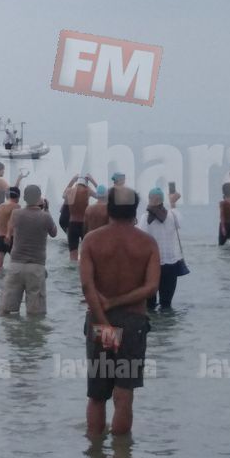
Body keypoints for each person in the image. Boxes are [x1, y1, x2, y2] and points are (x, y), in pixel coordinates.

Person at [80, 186, 160, 436]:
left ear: (109, 209)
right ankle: (122, 455)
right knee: (124, 394)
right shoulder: (147, 243)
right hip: (133, 323)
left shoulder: (92, 240)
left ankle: (95, 453)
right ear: (134, 210)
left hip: (100, 321)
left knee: (97, 395)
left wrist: (104, 322)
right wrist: (116, 302)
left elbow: (87, 286)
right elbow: (151, 287)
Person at [0, 185, 57, 315]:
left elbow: (9, 232)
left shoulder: (16, 214)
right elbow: (54, 233)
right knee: (35, 315)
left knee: (7, 312)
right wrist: (47, 210)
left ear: (24, 198)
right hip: (36, 267)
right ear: (39, 198)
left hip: (16, 265)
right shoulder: (45, 217)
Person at [137, 188, 182, 310]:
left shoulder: (145, 218)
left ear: (149, 199)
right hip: (170, 265)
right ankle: (166, 322)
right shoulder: (173, 215)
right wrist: (173, 202)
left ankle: (154, 323)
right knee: (166, 305)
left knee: (150, 305)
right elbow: (179, 222)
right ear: (162, 200)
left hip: (151, 266)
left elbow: (140, 240)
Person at [63, 174, 98, 261]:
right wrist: (93, 181)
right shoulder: (87, 190)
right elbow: (101, 196)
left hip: (72, 225)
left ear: (77, 182)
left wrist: (72, 180)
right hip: (84, 225)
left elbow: (63, 195)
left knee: (73, 256)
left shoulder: (70, 191)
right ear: (86, 182)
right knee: (86, 254)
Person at [0, 187, 21, 270]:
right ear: (18, 197)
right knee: (18, 268)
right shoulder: (17, 207)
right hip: (12, 239)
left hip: (0, 239)